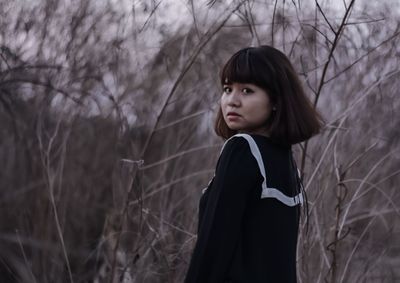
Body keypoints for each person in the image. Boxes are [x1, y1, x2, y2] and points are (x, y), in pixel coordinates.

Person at [184, 45, 323, 283]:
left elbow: (213, 247)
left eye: (247, 91)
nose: (232, 101)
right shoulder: (286, 162)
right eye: (227, 89)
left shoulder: (242, 149)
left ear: (276, 100)